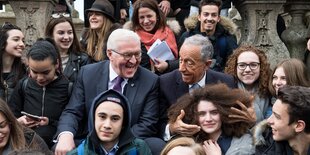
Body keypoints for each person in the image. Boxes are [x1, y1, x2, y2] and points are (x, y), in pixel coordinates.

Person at [55, 29, 164, 155]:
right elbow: (73, 111)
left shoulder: (150, 80)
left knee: (156, 146)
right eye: (127, 55)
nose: (134, 61)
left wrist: (114, 142)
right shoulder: (88, 74)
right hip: (90, 140)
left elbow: (147, 124)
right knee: (61, 148)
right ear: (110, 54)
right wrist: (66, 136)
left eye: (137, 54)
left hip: (129, 143)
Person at [159, 34, 235, 141]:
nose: (181, 68)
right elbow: (158, 124)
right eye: (181, 60)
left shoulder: (226, 82)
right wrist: (172, 128)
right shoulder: (166, 82)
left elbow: (231, 122)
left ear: (207, 64)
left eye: (189, 63)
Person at [8, 38, 70, 148]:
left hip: (57, 147)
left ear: (56, 64)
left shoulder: (68, 87)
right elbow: (11, 115)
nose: (40, 78)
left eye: (46, 72)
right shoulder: (24, 85)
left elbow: (72, 119)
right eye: (34, 72)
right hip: (27, 146)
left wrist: (50, 122)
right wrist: (19, 121)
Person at [168, 83, 255, 155]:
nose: (208, 119)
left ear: (224, 113)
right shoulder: (188, 141)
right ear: (194, 116)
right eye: (202, 114)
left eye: (214, 112)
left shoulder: (242, 141)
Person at [67, 89, 152, 155]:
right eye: (102, 117)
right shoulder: (78, 153)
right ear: (93, 119)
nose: (107, 125)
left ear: (123, 123)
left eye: (115, 119)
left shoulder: (139, 149)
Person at [179, 0, 238, 72]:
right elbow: (179, 62)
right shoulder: (187, 37)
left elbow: (233, 66)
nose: (209, 19)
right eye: (206, 14)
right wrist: (168, 64)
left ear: (218, 18)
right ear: (199, 17)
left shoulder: (228, 39)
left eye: (213, 15)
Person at [126, 0, 179, 74]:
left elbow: (182, 61)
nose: (146, 21)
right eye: (141, 17)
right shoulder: (132, 38)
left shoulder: (172, 33)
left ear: (157, 15)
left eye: (149, 16)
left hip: (170, 79)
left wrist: (168, 65)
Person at [254, 85, 310, 155]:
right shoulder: (266, 144)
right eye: (272, 113)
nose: (268, 121)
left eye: (277, 116)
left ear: (299, 126)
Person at [225, 45, 271, 123]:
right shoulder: (226, 92)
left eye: (253, 65)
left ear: (261, 67)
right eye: (242, 65)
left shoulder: (270, 89)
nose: (247, 70)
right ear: (235, 67)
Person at [45, 15, 90, 84]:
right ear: (51, 35)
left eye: (69, 32)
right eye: (61, 33)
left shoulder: (83, 60)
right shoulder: (42, 57)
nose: (66, 37)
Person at [0, 22, 26, 103]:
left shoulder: (25, 71)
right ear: (3, 43)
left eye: (23, 40)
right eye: (16, 39)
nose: (22, 44)